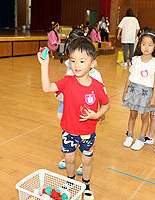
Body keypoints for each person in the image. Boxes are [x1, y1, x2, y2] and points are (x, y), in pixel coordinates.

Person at [38, 37, 110, 199]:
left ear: (93, 63)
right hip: (69, 131)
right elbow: (46, 88)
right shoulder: (67, 81)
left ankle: (86, 184)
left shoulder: (97, 86)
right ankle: (70, 181)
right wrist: (44, 66)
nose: (77, 65)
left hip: (88, 133)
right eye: (73, 61)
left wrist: (97, 115)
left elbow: (106, 104)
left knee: (87, 160)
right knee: (69, 159)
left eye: (82, 61)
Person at [57, 29, 105, 176]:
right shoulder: (71, 67)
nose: (76, 63)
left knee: (85, 139)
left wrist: (100, 115)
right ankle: (69, 154)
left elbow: (102, 97)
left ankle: (84, 161)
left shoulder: (95, 75)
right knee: (63, 121)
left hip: (85, 107)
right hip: (69, 102)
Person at [122, 31, 155, 150]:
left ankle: (141, 138)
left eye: (150, 45)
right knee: (132, 115)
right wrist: (125, 92)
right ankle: (130, 135)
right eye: (144, 44)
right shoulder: (135, 59)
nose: (146, 47)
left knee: (144, 117)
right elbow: (129, 77)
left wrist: (153, 98)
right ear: (139, 45)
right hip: (134, 90)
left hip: (146, 93)